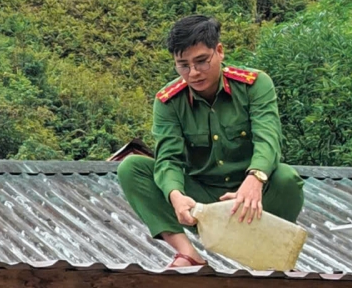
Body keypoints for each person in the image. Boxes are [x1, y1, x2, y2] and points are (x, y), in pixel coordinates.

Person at [116, 14, 304, 269]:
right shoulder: (168, 101)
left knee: (286, 178)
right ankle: (188, 254)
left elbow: (268, 138)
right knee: (132, 168)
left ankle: (269, 254)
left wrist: (255, 179)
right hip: (201, 203)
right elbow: (168, 159)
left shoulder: (255, 85)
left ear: (219, 51)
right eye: (183, 65)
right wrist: (176, 196)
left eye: (202, 61)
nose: (193, 73)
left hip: (251, 199)